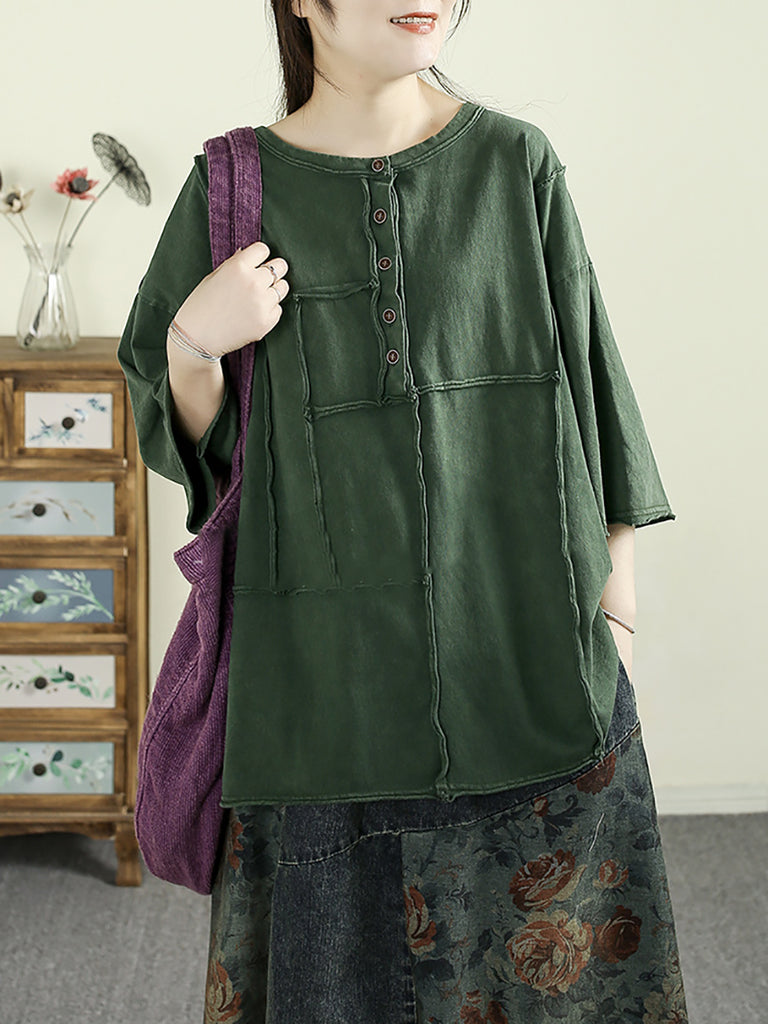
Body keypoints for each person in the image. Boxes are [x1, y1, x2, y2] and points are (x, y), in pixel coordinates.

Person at [118, 1, 690, 1021]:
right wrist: (193, 346)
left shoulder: (515, 162)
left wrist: (620, 612)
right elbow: (199, 450)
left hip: (524, 655)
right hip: (318, 693)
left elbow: (596, 393)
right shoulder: (232, 185)